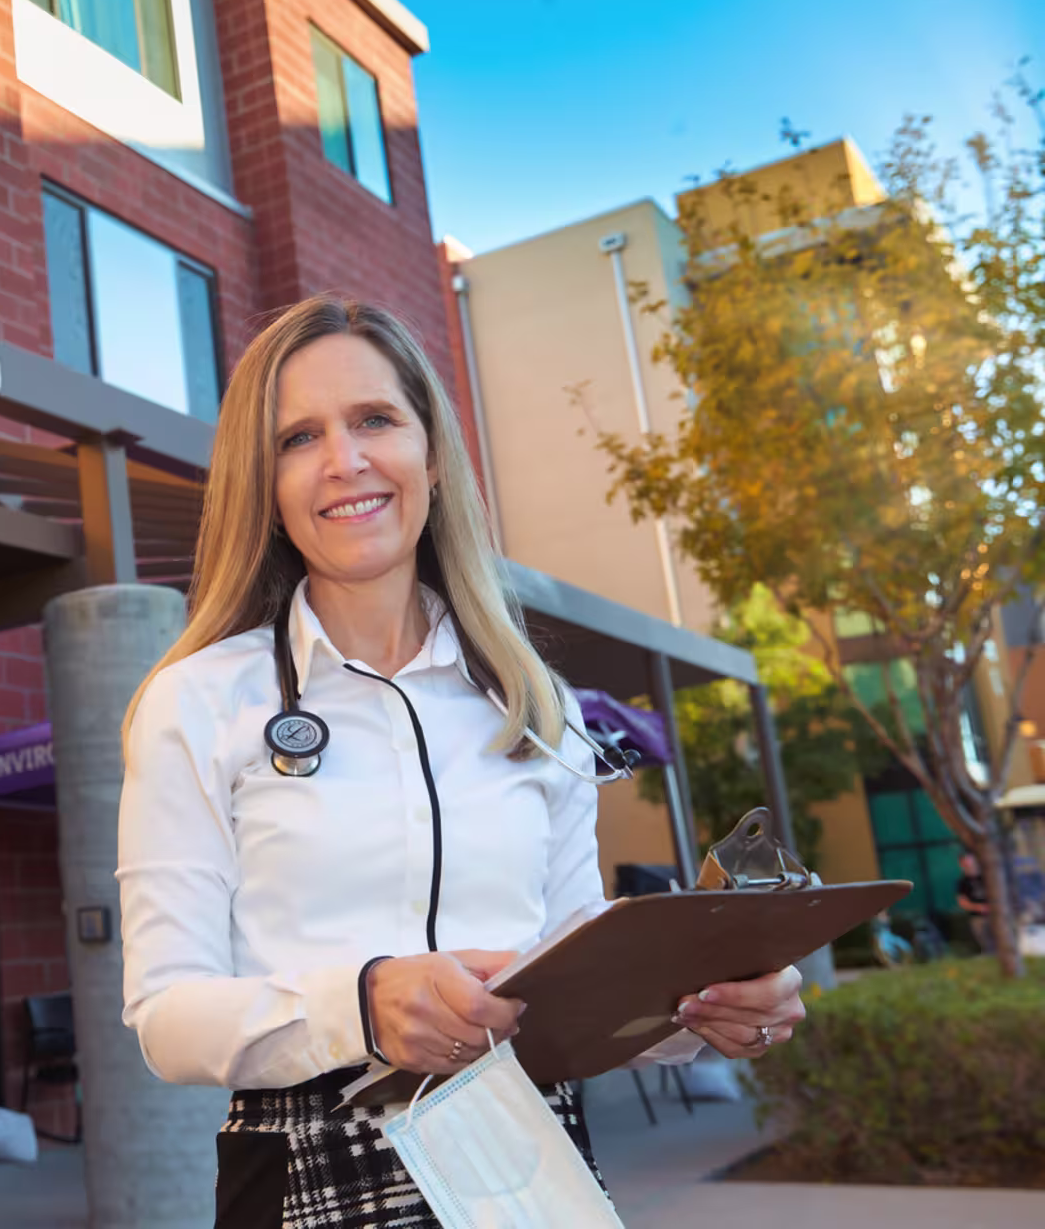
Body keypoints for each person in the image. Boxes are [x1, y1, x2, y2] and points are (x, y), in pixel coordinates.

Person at [116, 296, 808, 1228]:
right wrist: (359, 1004)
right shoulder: (198, 701)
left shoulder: (535, 704)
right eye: (298, 438)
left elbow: (575, 979)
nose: (345, 462)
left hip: (531, 1157)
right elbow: (166, 1017)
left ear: (432, 456)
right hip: (308, 1173)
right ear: (266, 486)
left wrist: (700, 1009)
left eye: (374, 420)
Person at [955, 849, 992, 953]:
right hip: (977, 918)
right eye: (964, 862)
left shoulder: (987, 877)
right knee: (985, 944)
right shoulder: (962, 882)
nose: (968, 864)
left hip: (994, 916)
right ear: (961, 864)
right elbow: (962, 902)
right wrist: (979, 907)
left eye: (969, 860)